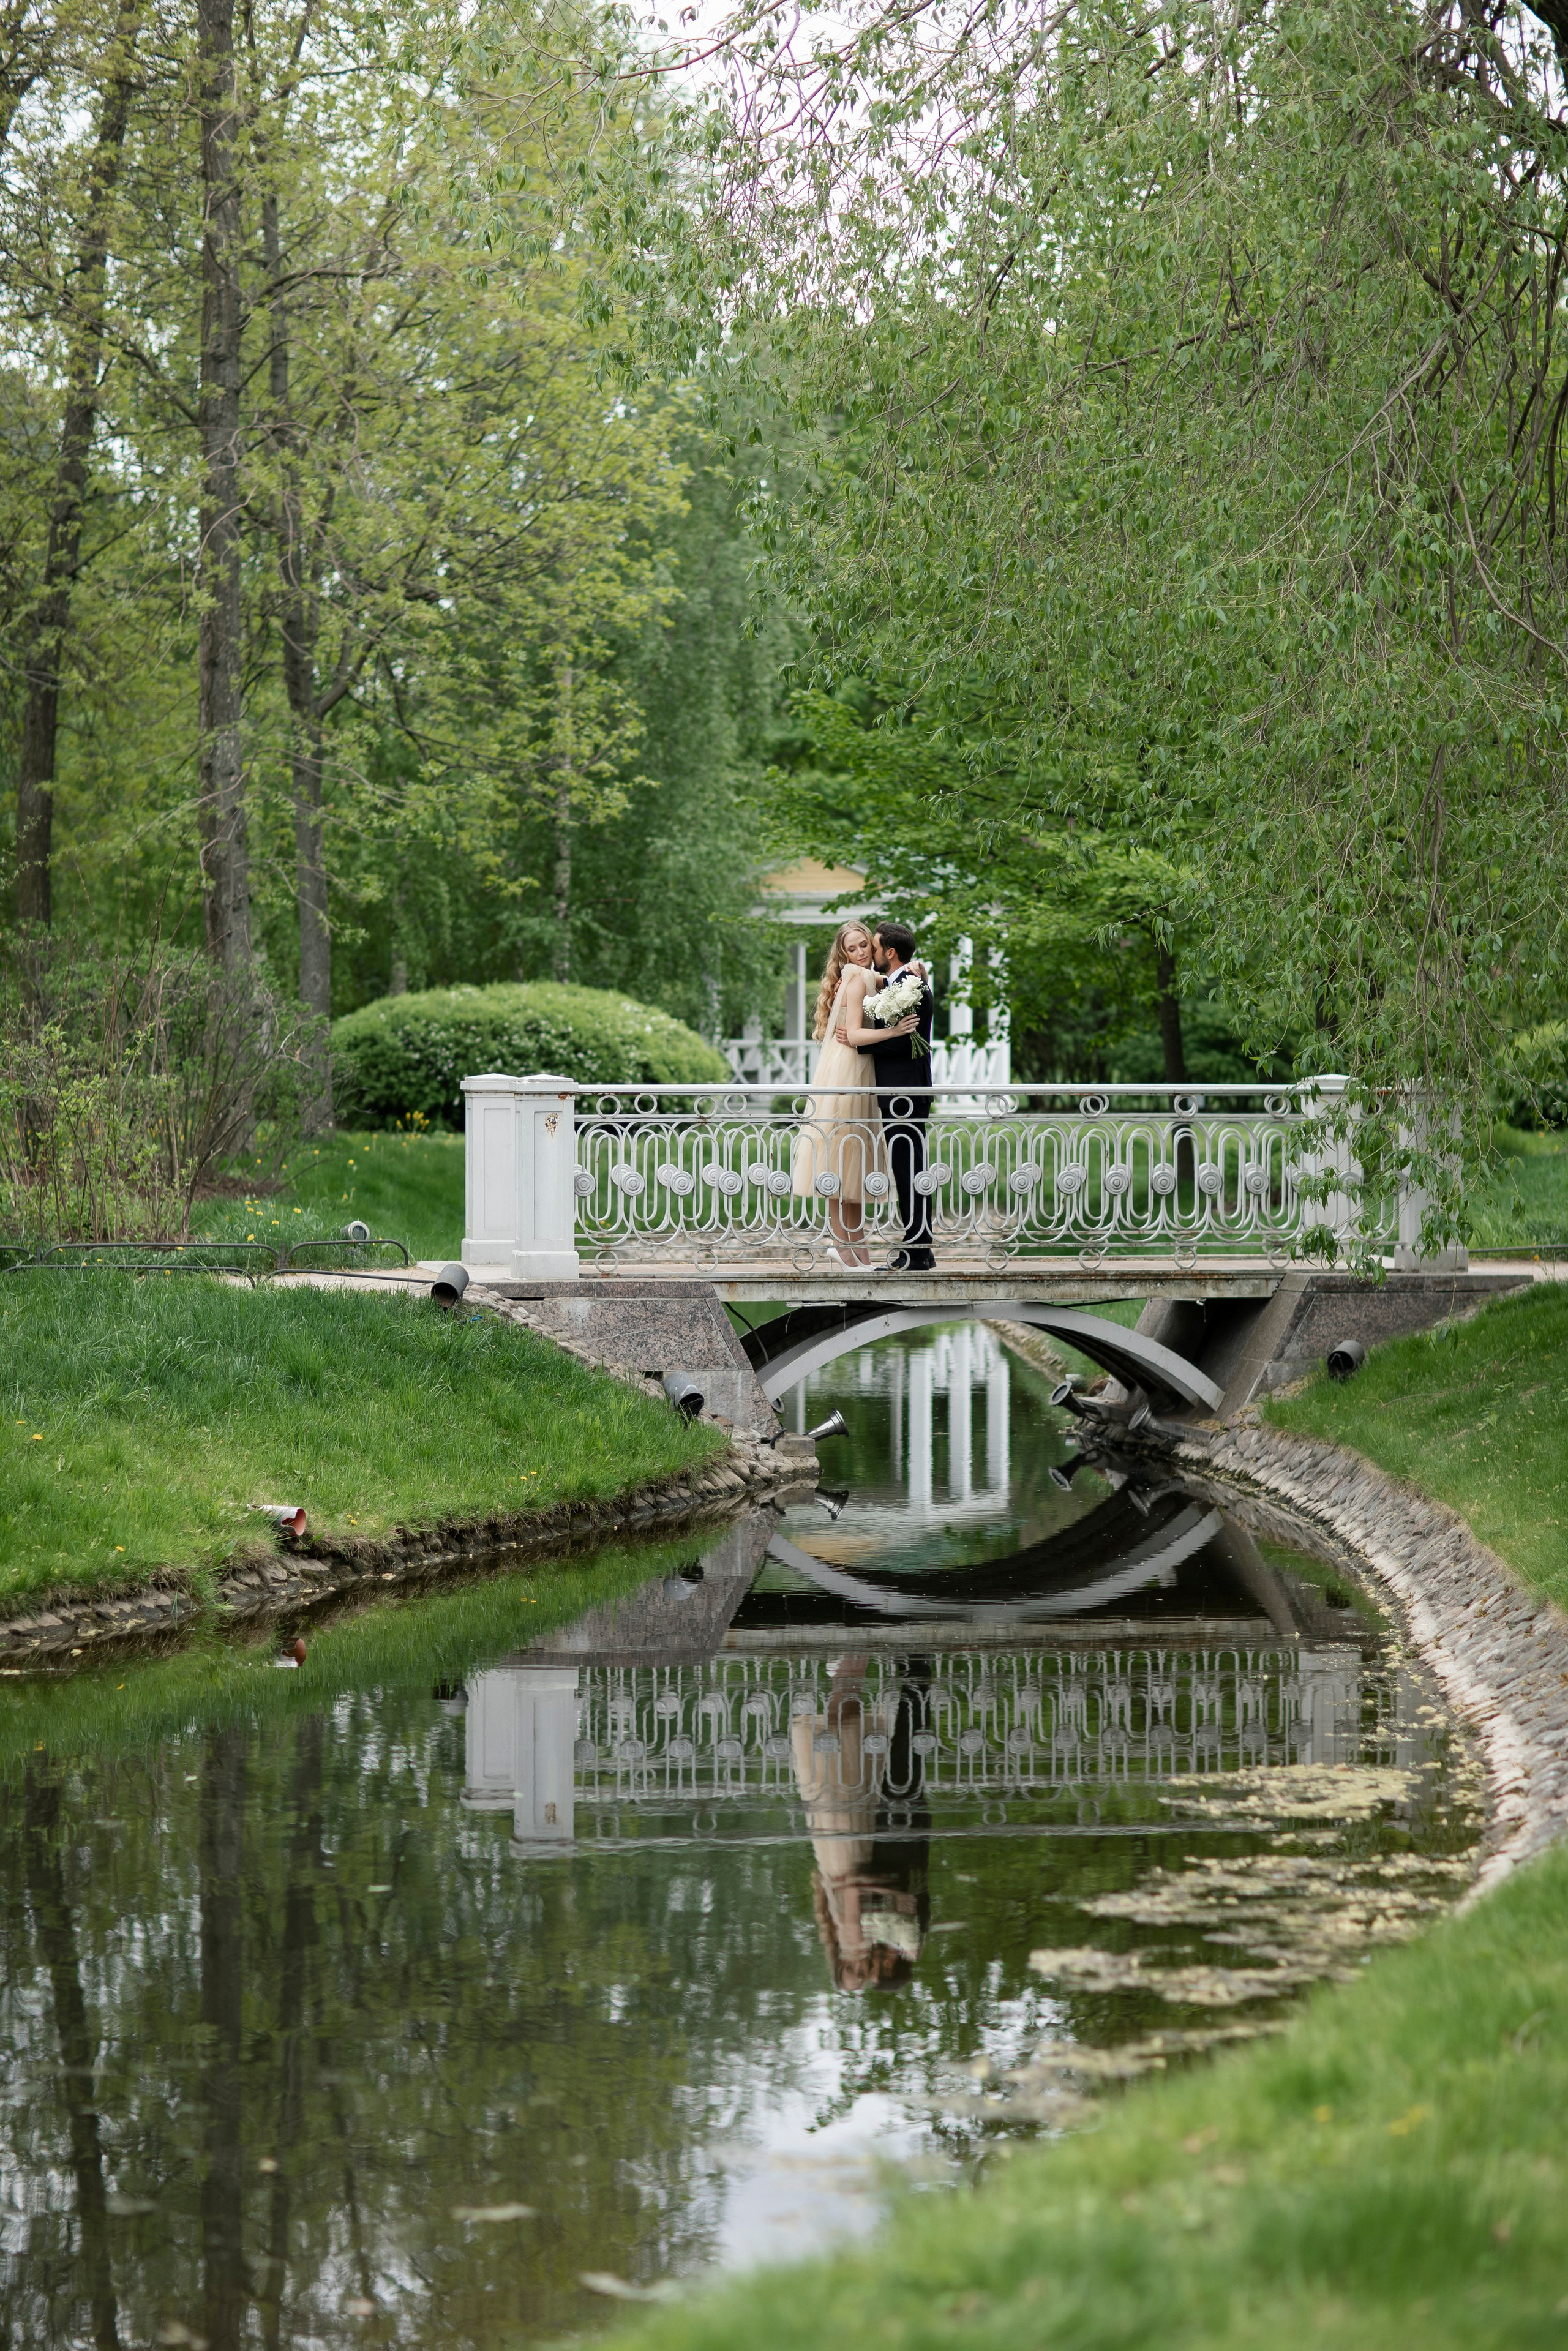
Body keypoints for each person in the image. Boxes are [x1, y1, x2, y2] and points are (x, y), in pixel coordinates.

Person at [838, 920, 934, 1272]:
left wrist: (860, 1042)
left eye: (874, 948)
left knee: (909, 1170)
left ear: (889, 953)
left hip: (906, 1090)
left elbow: (906, 1041)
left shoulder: (913, 986)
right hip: (897, 1091)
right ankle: (921, 1247)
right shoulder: (898, 982)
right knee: (906, 1169)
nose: (870, 954)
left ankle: (917, 1253)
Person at [790, 921, 889, 1267]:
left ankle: (857, 1247)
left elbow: (882, 983)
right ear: (844, 953)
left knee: (854, 1159)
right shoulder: (858, 977)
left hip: (855, 1067)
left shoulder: (862, 976)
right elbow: (856, 1029)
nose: (861, 953)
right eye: (853, 948)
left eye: (865, 946)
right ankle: (841, 1244)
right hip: (849, 1070)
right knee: (840, 1152)